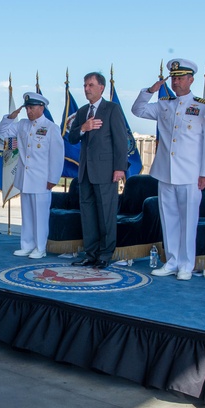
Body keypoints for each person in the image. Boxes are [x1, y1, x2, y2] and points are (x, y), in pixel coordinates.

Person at [131, 59, 205, 279]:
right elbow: (138, 110)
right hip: (165, 171)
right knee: (168, 217)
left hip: (190, 173)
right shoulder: (164, 103)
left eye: (181, 77)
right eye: (174, 77)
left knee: (188, 221)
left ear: (191, 79)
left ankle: (186, 265)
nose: (177, 81)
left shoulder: (203, 107)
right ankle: (171, 261)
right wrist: (151, 90)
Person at [66, 72, 128, 269]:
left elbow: (120, 140)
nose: (86, 89)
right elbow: (73, 138)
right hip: (85, 172)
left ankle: (105, 255)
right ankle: (90, 254)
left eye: (91, 85)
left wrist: (119, 168)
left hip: (106, 171)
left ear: (101, 87)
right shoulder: (83, 111)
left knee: (106, 214)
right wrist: (83, 127)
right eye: (85, 85)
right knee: (88, 214)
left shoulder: (112, 109)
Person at [0, 92, 64, 258]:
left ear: (41, 107)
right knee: (27, 215)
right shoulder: (22, 125)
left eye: (32, 107)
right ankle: (27, 245)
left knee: (40, 216)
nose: (28, 111)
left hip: (42, 179)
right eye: (27, 108)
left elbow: (56, 156)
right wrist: (10, 117)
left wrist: (53, 179)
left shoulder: (51, 128)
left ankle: (40, 248)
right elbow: (2, 133)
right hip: (25, 179)